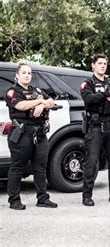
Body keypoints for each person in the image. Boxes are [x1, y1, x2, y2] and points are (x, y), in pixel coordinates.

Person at [5, 61, 58, 210]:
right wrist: (40, 102)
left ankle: (42, 198)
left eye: (29, 73)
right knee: (17, 167)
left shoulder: (36, 91)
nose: (27, 75)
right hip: (22, 133)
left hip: (39, 133)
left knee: (40, 167)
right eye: (24, 73)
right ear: (17, 75)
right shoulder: (12, 91)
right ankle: (14, 200)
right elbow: (20, 105)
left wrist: (42, 104)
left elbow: (51, 101)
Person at [80, 53, 110, 206]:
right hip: (95, 126)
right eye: (100, 63)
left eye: (105, 63)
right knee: (91, 162)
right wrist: (106, 94)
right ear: (93, 65)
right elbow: (88, 98)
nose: (103, 66)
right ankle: (87, 196)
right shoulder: (88, 82)